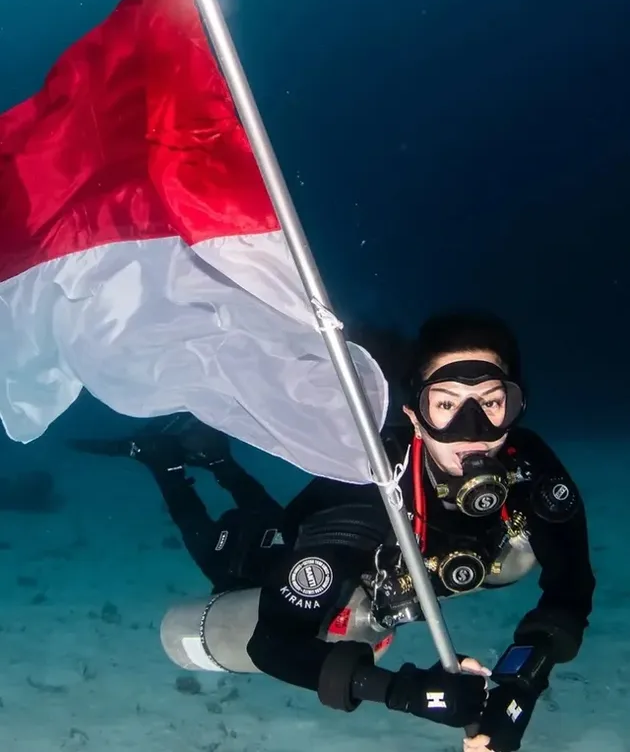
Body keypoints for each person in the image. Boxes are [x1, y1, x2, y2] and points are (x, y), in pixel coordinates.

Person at [69, 310, 595, 752]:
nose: (472, 431)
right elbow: (274, 644)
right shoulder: (369, 497)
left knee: (273, 524)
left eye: (491, 402)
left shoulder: (531, 471)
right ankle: (164, 464)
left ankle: (217, 460)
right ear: (415, 415)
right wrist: (408, 691)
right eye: (447, 404)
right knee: (223, 557)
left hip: (364, 568)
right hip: (299, 557)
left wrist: (519, 683)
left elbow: (571, 586)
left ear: (515, 405)